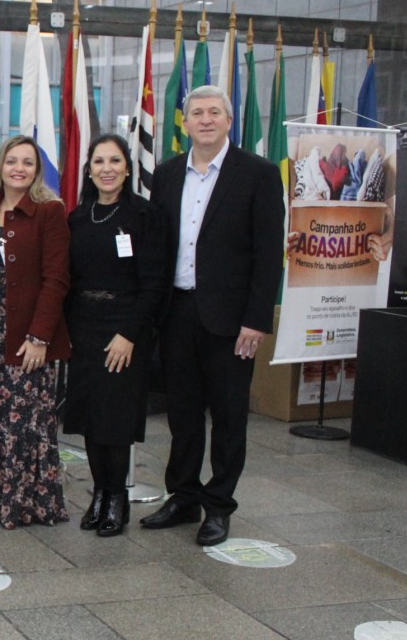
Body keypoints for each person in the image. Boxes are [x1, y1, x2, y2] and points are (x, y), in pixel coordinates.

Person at [140, 85, 283, 546]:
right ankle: (183, 496)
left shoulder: (257, 174)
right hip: (177, 311)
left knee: (227, 416)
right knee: (181, 414)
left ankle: (219, 505)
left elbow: (267, 253)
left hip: (232, 319)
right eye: (196, 113)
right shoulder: (165, 174)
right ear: (184, 123)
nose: (205, 119)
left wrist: (257, 320)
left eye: (214, 112)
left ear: (228, 120)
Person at [0, 135, 71, 529]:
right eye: (12, 161)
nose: (19, 169)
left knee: (23, 422)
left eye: (28, 162)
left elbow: (56, 278)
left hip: (27, 338)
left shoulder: (49, 211)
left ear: (37, 170)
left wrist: (40, 336)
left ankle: (25, 504)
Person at [63, 134, 167, 537]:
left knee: (115, 418)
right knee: (90, 417)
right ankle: (99, 495)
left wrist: (129, 334)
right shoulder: (78, 217)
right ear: (89, 168)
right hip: (84, 326)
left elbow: (154, 283)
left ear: (127, 168)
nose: (107, 168)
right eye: (99, 161)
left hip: (124, 327)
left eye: (115, 161)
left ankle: (117, 499)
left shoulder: (144, 216)